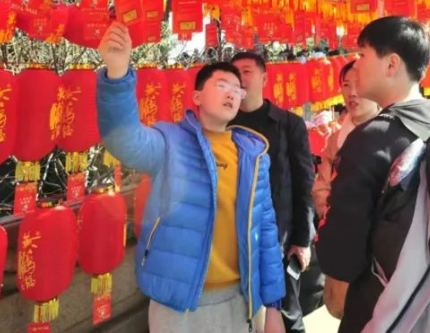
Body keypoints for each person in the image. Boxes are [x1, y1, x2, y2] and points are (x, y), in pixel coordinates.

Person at [96, 23, 286, 333]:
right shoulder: (170, 142)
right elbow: (125, 141)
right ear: (196, 97)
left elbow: (264, 233)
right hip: (180, 303)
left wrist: (274, 305)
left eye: (237, 89)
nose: (233, 93)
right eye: (222, 84)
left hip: (240, 300)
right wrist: (117, 73)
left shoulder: (253, 155)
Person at [315, 17, 430, 332]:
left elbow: (341, 256)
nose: (355, 68)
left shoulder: (371, 138)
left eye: (363, 55)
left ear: (392, 64)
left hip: (386, 309)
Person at [230, 52, 315, 333]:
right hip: (235, 238)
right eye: (235, 73)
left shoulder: (289, 124)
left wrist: (302, 239)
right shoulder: (224, 126)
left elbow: (305, 182)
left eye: (246, 71)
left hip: (280, 238)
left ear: (264, 78)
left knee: (287, 314)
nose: (240, 79)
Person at [312, 60, 379, 219]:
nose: (352, 92)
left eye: (359, 84)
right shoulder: (335, 139)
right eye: (347, 85)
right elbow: (322, 187)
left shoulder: (393, 131)